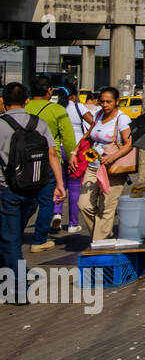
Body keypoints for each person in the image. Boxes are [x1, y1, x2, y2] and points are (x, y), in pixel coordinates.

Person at [0, 83, 66, 303]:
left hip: (7, 191)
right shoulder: (40, 123)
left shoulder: (0, 125)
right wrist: (59, 183)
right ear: (27, 100)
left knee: (10, 241)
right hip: (33, 191)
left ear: (3, 101)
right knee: (12, 238)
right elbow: (52, 154)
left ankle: (18, 292)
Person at [23, 77, 76, 253]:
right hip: (50, 162)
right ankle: (39, 240)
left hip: (23, 163)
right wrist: (72, 159)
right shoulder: (57, 110)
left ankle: (16, 234)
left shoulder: (24, 108)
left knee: (25, 200)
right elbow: (68, 139)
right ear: (49, 91)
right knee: (46, 202)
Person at [78, 87, 134, 241]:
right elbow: (90, 133)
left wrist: (113, 157)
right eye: (102, 101)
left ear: (116, 102)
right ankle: (104, 233)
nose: (104, 104)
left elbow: (130, 143)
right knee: (84, 205)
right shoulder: (98, 114)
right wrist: (75, 150)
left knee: (106, 208)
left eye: (108, 101)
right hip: (93, 166)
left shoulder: (122, 119)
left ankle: (98, 245)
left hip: (112, 168)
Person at [62, 83, 90, 234]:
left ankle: (57, 213)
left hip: (57, 149)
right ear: (73, 96)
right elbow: (94, 122)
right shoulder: (79, 107)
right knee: (74, 186)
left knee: (59, 184)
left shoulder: (55, 108)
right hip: (76, 149)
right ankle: (73, 223)